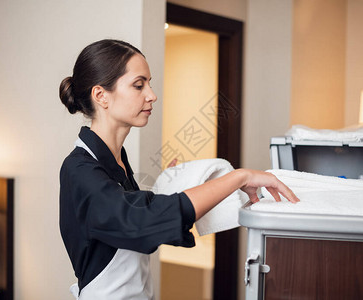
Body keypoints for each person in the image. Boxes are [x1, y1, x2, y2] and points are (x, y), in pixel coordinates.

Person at [59, 39, 299, 300]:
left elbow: (115, 218)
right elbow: (138, 221)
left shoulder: (115, 160)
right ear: (101, 95)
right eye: (139, 85)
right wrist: (239, 176)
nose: (152, 95)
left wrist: (164, 186)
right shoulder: (79, 169)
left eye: (149, 84)